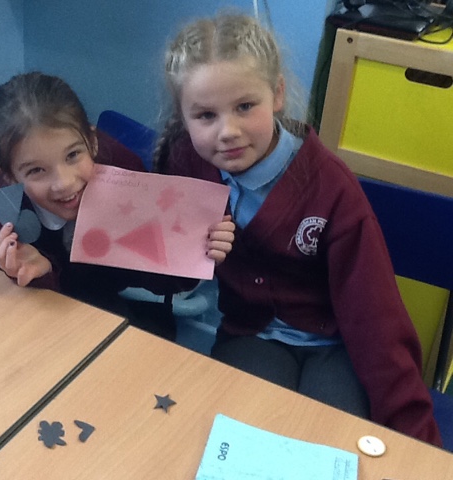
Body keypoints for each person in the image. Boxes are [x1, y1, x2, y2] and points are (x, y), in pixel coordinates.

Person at [154, 13, 441, 446]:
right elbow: (166, 276)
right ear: (183, 116)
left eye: (245, 107)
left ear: (278, 94)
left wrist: (418, 444)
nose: (228, 132)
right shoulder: (186, 162)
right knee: (242, 444)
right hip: (252, 334)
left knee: (328, 446)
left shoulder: (331, 188)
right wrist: (189, 252)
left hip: (335, 347)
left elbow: (376, 322)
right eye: (206, 115)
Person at [0, 71, 235, 340]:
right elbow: (28, 313)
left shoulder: (120, 168)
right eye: (37, 170)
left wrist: (193, 254)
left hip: (100, 301)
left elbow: (148, 276)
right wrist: (40, 273)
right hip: (25, 317)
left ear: (92, 141)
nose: (64, 183)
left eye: (73, 155)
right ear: (10, 176)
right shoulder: (5, 209)